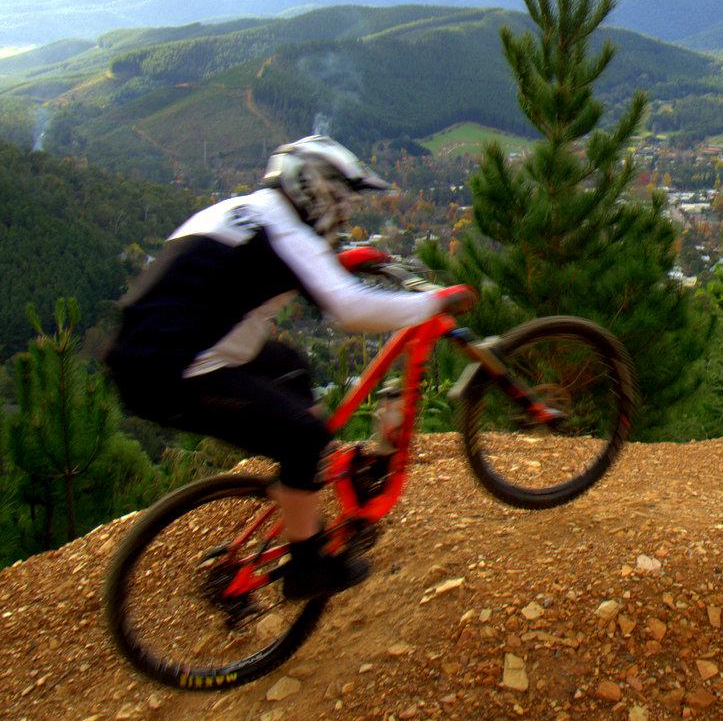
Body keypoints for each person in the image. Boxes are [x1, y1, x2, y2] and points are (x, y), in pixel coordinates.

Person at [106, 135, 476, 600]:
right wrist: (432, 303)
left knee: (293, 370)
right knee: (303, 436)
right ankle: (307, 568)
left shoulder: (251, 212)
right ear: (316, 191)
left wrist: (348, 260)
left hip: (167, 350)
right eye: (340, 202)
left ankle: (307, 483)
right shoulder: (285, 233)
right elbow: (349, 311)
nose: (342, 215)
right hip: (168, 372)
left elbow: (284, 267)